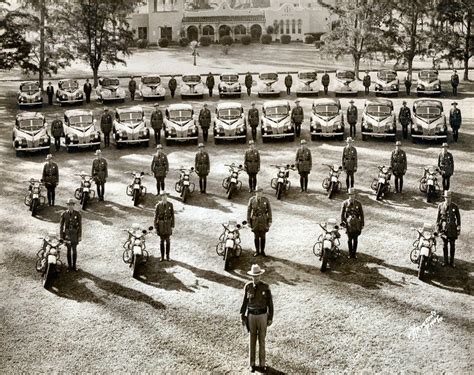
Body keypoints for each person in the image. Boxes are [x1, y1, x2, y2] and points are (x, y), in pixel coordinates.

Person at [240, 264, 274, 373]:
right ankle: (252, 364)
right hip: (251, 316)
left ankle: (262, 364)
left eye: (258, 275)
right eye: (254, 276)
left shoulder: (265, 287)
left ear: (261, 275)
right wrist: (242, 315)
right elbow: (245, 302)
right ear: (251, 276)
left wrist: (270, 317)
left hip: (262, 316)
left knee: (262, 340)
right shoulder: (248, 286)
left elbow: (270, 303)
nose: (256, 278)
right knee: (252, 340)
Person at [436, 190, 461, 267]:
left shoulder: (455, 206)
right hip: (444, 228)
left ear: (451, 198)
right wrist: (437, 227)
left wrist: (458, 228)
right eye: (446, 197)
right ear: (444, 198)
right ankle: (445, 261)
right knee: (444, 245)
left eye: (449, 197)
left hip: (452, 228)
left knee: (452, 245)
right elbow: (438, 218)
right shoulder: (440, 206)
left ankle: (452, 262)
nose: (447, 199)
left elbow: (458, 218)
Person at [247, 186, 272, 257]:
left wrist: (270, 221)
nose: (259, 193)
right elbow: (249, 211)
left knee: (263, 236)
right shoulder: (251, 200)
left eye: (260, 192)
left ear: (262, 192)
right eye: (257, 192)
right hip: (255, 220)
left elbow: (269, 211)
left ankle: (263, 251)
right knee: (256, 236)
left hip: (264, 220)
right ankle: (257, 251)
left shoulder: (265, 200)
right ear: (255, 193)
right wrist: (248, 221)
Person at [341, 188, 364, 259]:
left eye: (353, 195)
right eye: (350, 195)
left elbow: (361, 214)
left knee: (356, 239)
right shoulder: (344, 203)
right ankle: (350, 253)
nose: (352, 196)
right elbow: (342, 215)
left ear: (355, 195)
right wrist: (343, 222)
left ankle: (354, 254)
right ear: (348, 195)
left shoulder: (358, 204)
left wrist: (362, 223)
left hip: (356, 224)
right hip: (348, 224)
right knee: (349, 239)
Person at [60, 199, 82, 271]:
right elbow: (61, 226)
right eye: (69, 205)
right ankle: (69, 266)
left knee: (74, 250)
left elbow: (80, 226)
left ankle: (74, 266)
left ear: (73, 205)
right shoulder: (64, 214)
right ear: (67, 205)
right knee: (68, 250)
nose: (70, 206)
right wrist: (61, 236)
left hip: (75, 234)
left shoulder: (77, 214)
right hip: (67, 234)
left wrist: (79, 236)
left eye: (72, 205)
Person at [154, 191, 175, 262]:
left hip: (168, 224)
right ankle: (162, 256)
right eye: (163, 196)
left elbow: (172, 215)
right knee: (162, 241)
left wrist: (172, 225)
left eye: (165, 196)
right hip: (161, 224)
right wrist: (155, 227)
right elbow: (155, 217)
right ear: (161, 197)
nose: (164, 197)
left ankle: (168, 256)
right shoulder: (158, 205)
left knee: (168, 241)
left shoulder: (170, 205)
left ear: (167, 197)